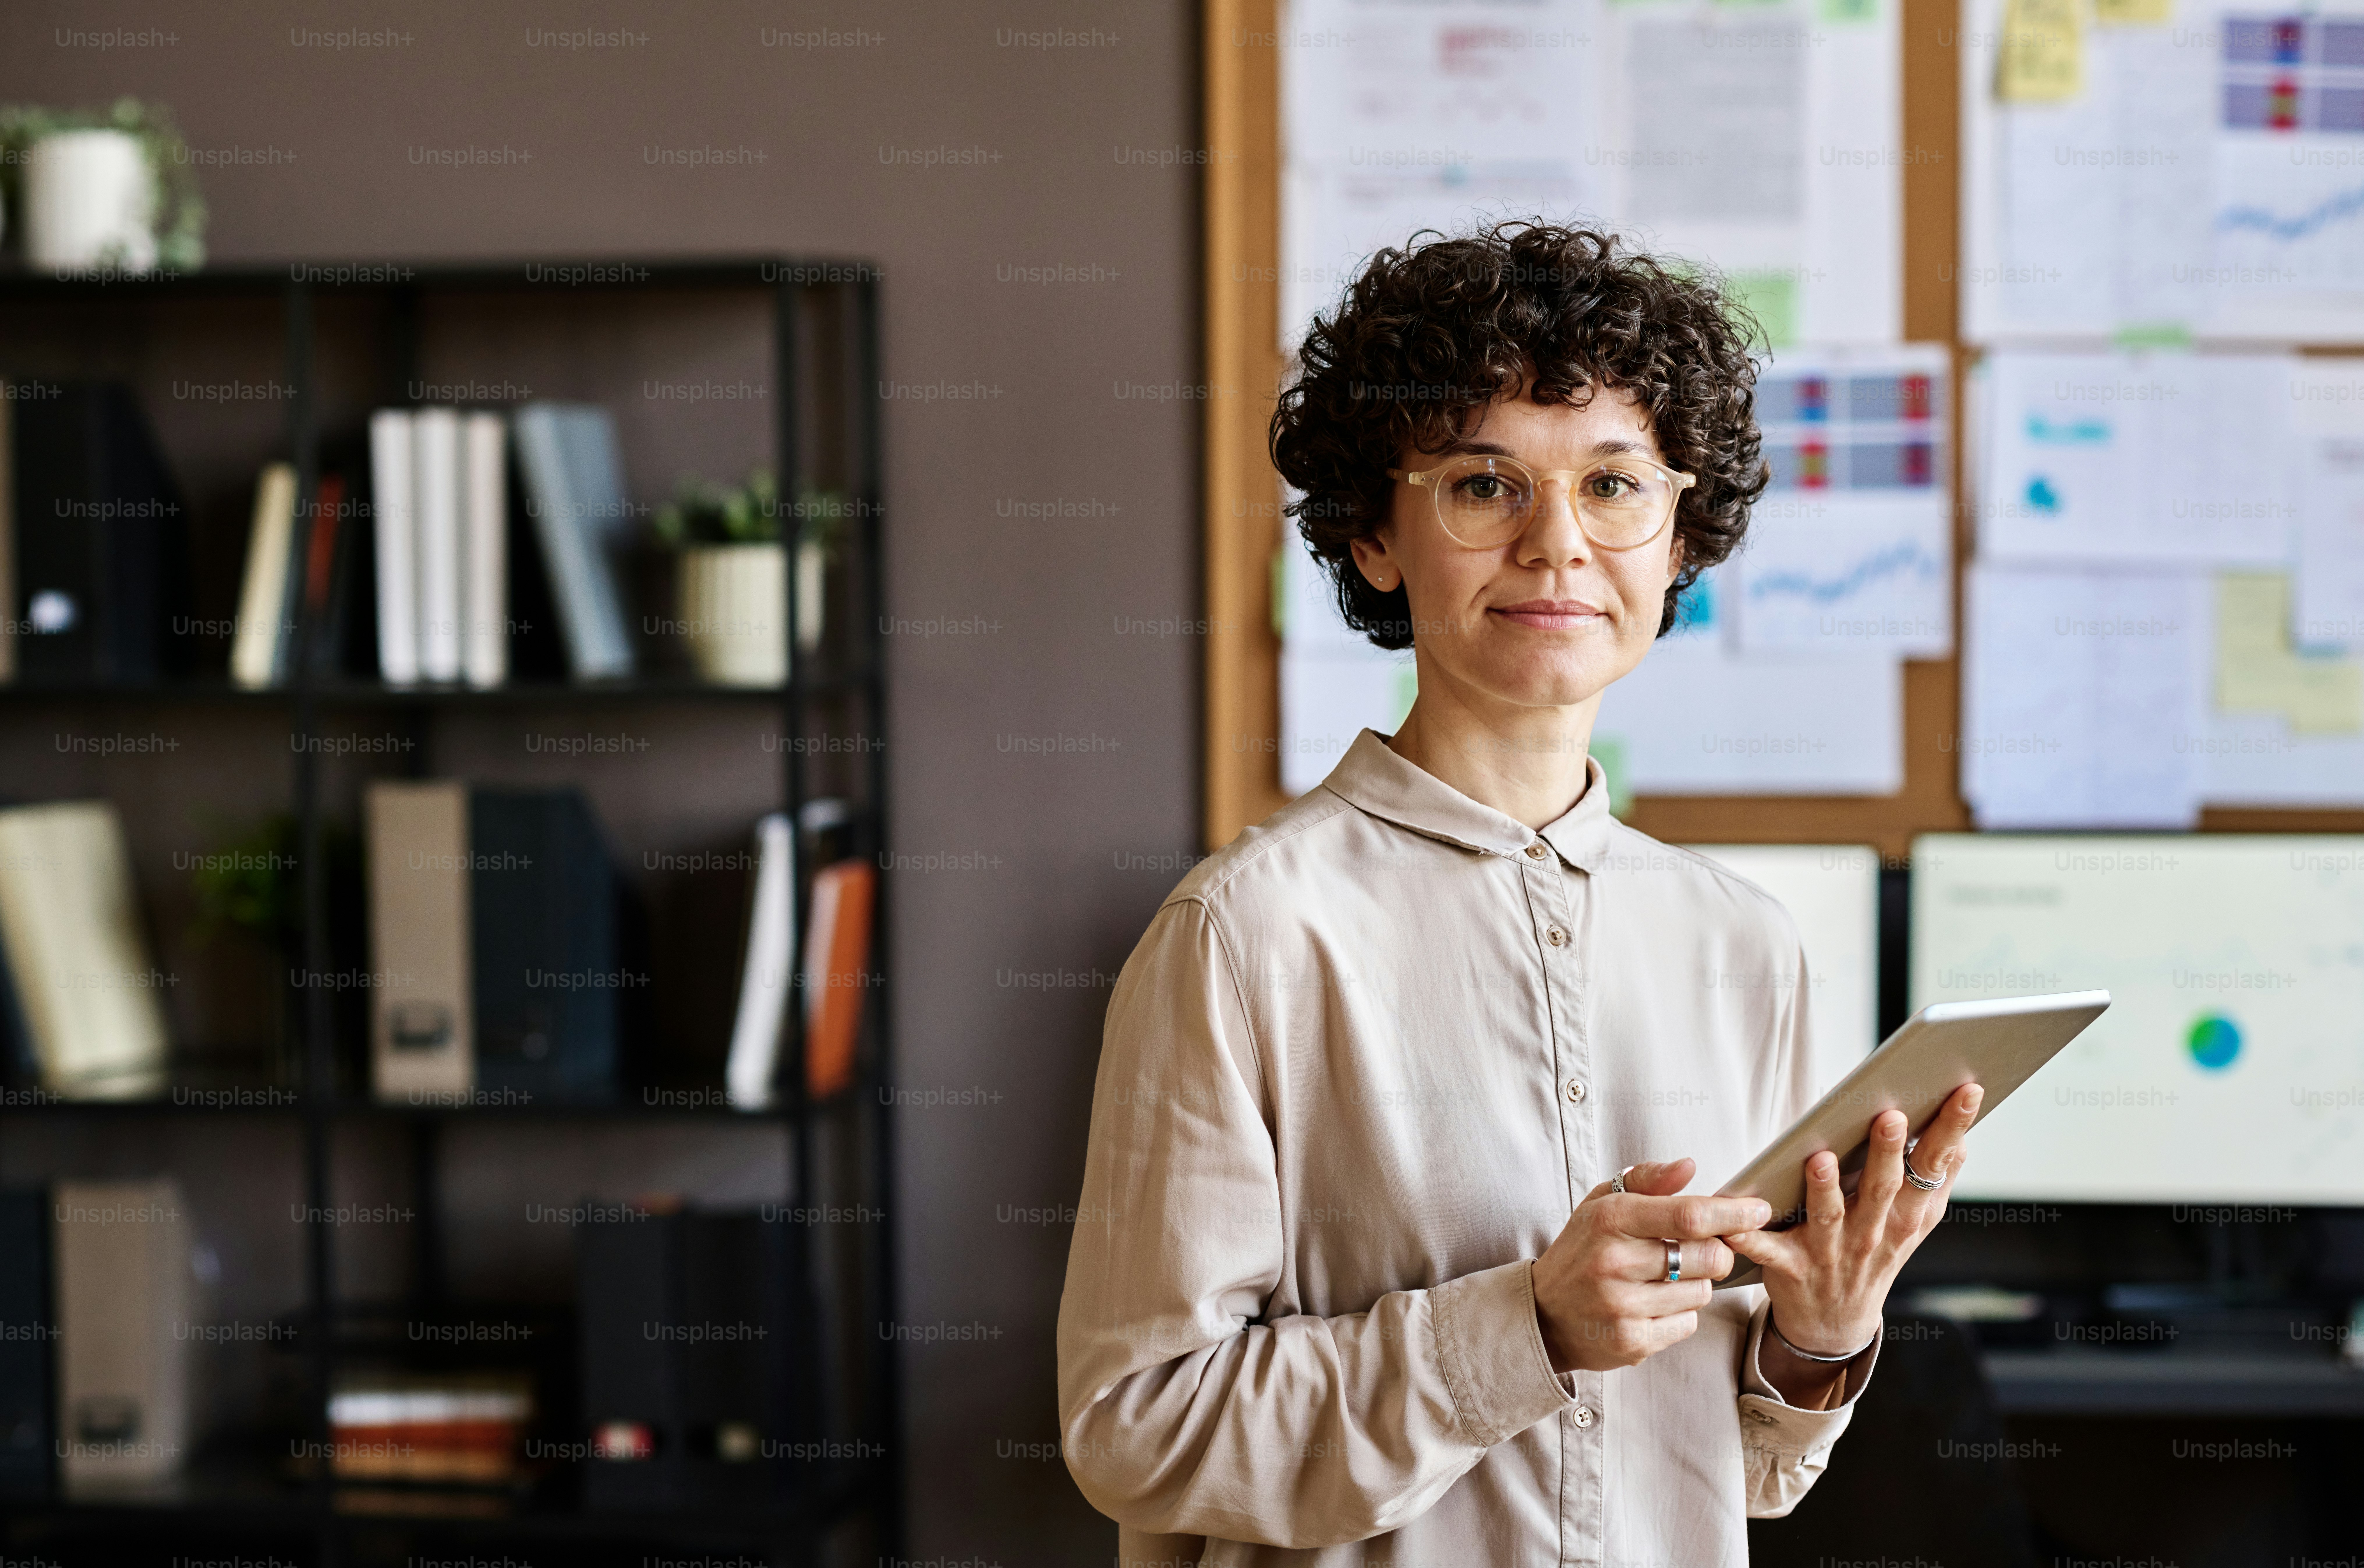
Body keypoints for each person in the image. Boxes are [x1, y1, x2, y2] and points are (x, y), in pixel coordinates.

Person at [1055, 221, 1982, 1567]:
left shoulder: (1741, 946)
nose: (1558, 546)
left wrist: (1818, 1334)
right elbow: (1134, 1432)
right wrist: (1525, 1329)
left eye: (1615, 488)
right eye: (1484, 487)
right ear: (1375, 535)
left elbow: (1747, 1480)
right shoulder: (1244, 934)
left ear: (1676, 543)